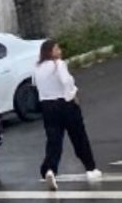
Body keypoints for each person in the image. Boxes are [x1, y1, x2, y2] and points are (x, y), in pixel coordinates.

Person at [32, 40, 101, 190]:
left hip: (47, 107)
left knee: (54, 140)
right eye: (57, 49)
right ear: (50, 52)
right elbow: (66, 81)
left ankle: (49, 169)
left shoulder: (37, 68)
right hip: (64, 104)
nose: (60, 51)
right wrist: (72, 95)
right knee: (78, 137)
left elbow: (35, 85)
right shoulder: (58, 64)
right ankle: (90, 168)